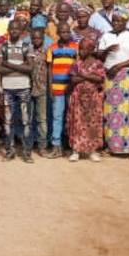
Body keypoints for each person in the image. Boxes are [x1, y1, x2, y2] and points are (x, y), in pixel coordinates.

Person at [97, 8, 129, 160]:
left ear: (126, 21)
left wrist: (118, 66)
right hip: (109, 77)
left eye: (119, 20)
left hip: (126, 76)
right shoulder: (106, 35)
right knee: (111, 111)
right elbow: (99, 56)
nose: (116, 23)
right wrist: (107, 50)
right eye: (114, 20)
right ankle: (113, 145)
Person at [0, 18, 35, 163]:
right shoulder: (2, 47)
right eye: (11, 28)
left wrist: (8, 64)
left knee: (26, 121)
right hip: (7, 88)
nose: (14, 31)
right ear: (8, 30)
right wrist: (21, 66)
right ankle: (9, 151)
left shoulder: (27, 46)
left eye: (17, 29)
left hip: (24, 88)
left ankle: (27, 152)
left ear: (21, 31)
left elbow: (30, 68)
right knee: (8, 121)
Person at [68, 38, 105, 162]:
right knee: (77, 124)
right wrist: (90, 77)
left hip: (93, 99)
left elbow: (100, 79)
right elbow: (73, 80)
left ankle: (92, 151)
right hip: (78, 97)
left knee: (93, 124)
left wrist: (82, 75)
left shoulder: (98, 63)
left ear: (90, 50)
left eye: (83, 49)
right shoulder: (76, 63)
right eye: (80, 49)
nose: (80, 52)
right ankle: (76, 150)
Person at [45, 19, 78, 157]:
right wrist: (50, 87)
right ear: (58, 33)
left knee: (71, 116)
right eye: (62, 32)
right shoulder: (52, 48)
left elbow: (78, 67)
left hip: (71, 88)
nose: (65, 34)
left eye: (67, 31)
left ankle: (70, 145)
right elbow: (49, 69)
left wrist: (74, 85)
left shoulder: (75, 47)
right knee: (57, 116)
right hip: (57, 87)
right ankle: (56, 145)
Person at [28, 18, 50, 155]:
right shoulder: (27, 52)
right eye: (34, 38)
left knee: (42, 119)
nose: (37, 40)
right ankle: (29, 145)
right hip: (28, 89)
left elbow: (49, 71)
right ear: (31, 38)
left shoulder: (47, 52)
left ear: (43, 38)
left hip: (42, 89)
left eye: (39, 38)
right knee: (28, 119)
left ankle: (42, 146)